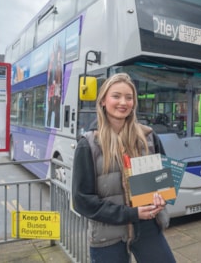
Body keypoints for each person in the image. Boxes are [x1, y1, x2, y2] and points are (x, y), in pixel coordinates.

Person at [72, 73, 175, 263]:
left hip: (147, 227)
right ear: (103, 100)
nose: (123, 102)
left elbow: (164, 182)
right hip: (107, 234)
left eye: (129, 97)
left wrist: (163, 199)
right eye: (116, 96)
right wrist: (131, 213)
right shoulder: (88, 145)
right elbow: (82, 201)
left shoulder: (150, 138)